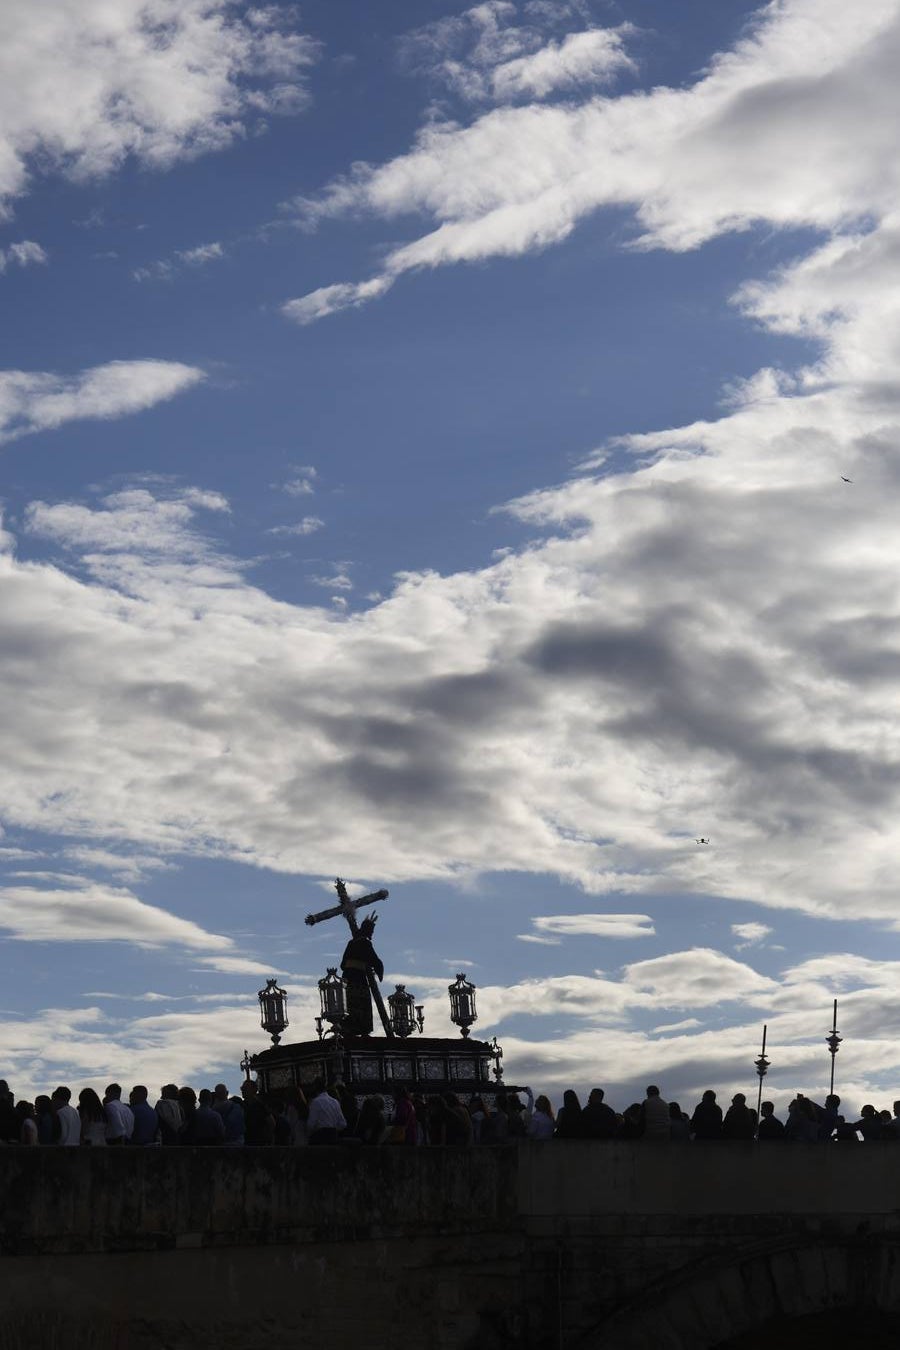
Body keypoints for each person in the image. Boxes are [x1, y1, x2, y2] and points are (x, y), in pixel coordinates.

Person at [340, 915, 385, 1037]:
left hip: (347, 978)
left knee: (349, 1002)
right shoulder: (365, 943)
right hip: (358, 978)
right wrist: (379, 969)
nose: (372, 933)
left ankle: (349, 1028)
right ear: (367, 930)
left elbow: (342, 964)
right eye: (371, 931)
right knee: (361, 1002)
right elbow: (375, 960)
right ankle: (362, 1028)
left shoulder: (351, 943)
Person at [307, 1080, 346, 1145]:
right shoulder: (335, 1102)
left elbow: (310, 1124)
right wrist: (333, 1130)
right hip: (334, 1138)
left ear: (314, 1088)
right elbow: (343, 1124)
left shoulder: (315, 1102)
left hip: (319, 1139)